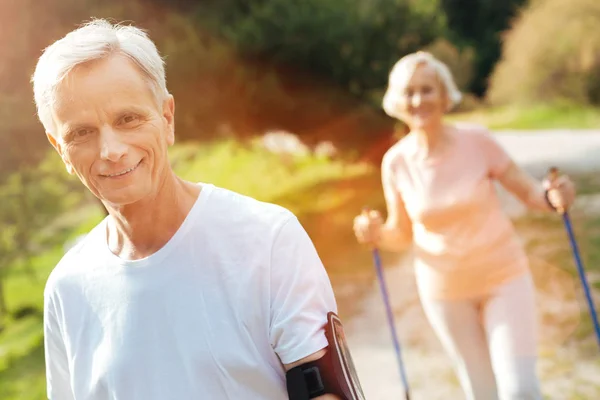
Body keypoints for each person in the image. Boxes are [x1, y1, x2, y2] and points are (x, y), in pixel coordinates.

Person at [33, 19, 364, 400]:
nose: (111, 150)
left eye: (128, 119)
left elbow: (325, 393)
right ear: (61, 150)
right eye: (82, 133)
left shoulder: (268, 239)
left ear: (167, 118)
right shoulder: (66, 289)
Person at [353, 51, 576, 400]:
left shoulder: (478, 142)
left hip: (503, 277)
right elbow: (401, 234)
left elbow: (531, 193)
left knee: (520, 391)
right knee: (481, 393)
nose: (418, 100)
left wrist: (554, 196)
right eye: (409, 92)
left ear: (445, 95)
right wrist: (376, 233)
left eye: (427, 90)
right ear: (398, 101)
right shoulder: (396, 162)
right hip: (445, 292)